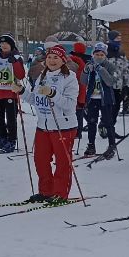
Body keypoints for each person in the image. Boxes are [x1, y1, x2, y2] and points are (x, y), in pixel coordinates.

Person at [25, 44, 80, 204]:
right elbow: (35, 100)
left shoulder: (69, 77)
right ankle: (45, 191)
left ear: (63, 60)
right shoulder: (42, 76)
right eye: (49, 57)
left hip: (63, 126)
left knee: (62, 162)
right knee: (40, 160)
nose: (52, 60)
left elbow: (69, 105)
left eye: (56, 57)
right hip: (43, 125)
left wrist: (53, 94)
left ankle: (60, 193)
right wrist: (22, 92)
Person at [83, 42, 124, 159]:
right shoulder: (90, 65)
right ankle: (91, 145)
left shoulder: (109, 66)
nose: (99, 57)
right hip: (92, 99)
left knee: (108, 122)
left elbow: (110, 81)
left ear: (105, 55)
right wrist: (86, 71)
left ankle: (112, 145)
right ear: (93, 55)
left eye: (102, 54)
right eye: (97, 54)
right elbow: (83, 81)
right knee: (91, 122)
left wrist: (101, 70)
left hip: (105, 99)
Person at [0, 35, 26, 154]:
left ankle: (12, 140)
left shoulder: (16, 57)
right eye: (2, 44)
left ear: (11, 45)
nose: (4, 46)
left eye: (7, 44)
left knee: (11, 119)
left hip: (10, 92)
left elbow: (20, 75)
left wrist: (15, 62)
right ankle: (3, 139)